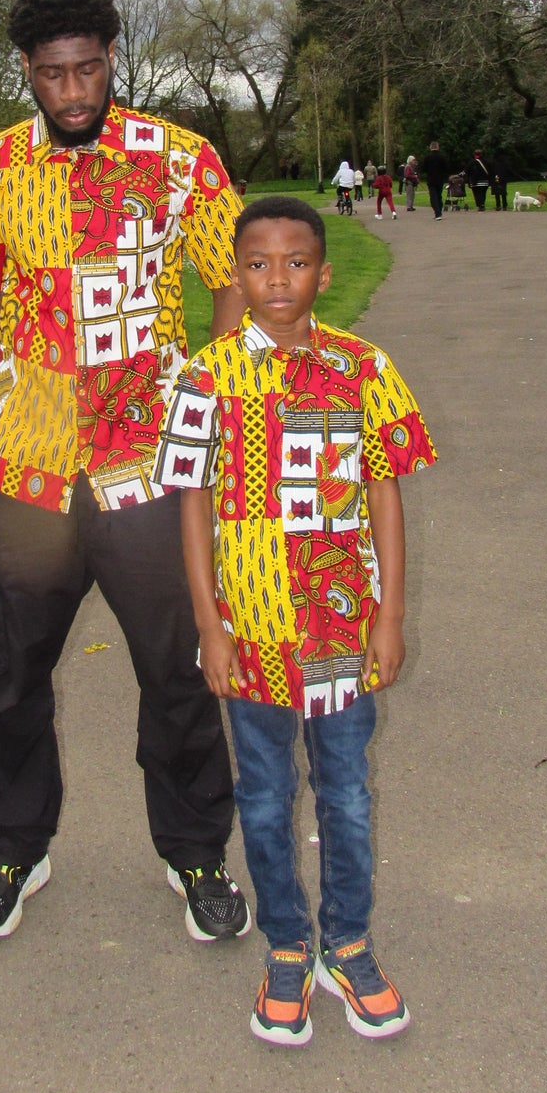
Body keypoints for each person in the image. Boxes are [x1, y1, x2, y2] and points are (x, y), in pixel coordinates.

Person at [0, 0, 251, 943]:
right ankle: (12, 849)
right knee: (10, 670)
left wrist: (210, 392)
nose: (71, 93)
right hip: (31, 459)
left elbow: (230, 277)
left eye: (86, 70)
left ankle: (194, 851)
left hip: (147, 457)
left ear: (112, 57)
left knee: (179, 664)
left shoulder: (179, 158)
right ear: (26, 72)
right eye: (50, 75)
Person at [154, 196, 437, 1047]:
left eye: (296, 262)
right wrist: (209, 623)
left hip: (340, 632)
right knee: (266, 795)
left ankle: (345, 942)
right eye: (257, 263)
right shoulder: (203, 376)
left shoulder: (363, 366)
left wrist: (388, 614)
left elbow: (384, 489)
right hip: (251, 634)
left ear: (323, 268)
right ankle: (285, 943)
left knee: (346, 792)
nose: (277, 280)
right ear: (234, 271)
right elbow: (193, 501)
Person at [420, 141, 449, 220]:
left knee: (433, 197)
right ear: (437, 147)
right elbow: (446, 168)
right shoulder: (442, 157)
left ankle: (437, 213)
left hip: (431, 179)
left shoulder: (427, 157)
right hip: (440, 179)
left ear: (430, 147)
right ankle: (439, 210)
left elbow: (424, 169)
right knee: (439, 195)